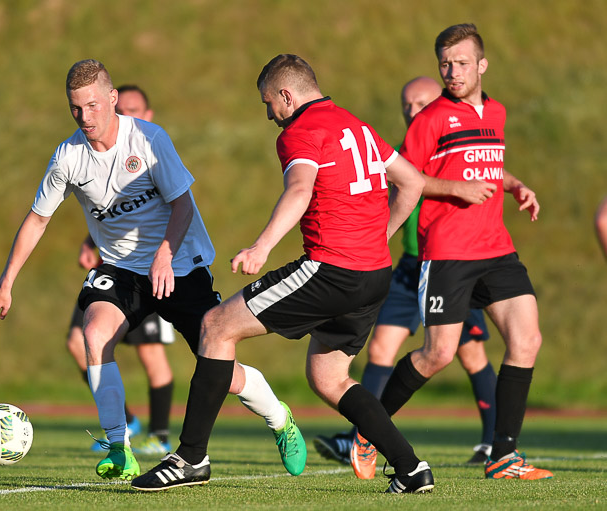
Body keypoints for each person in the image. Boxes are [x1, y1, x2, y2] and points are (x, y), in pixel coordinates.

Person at [0, 59, 304, 482]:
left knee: (220, 370)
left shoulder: (150, 139)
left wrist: (164, 256)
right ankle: (120, 449)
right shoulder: (67, 157)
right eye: (76, 108)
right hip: (121, 269)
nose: (85, 117)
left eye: (93, 105)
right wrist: (6, 283)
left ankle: (279, 419)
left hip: (180, 265)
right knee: (94, 333)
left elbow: (183, 204)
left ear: (113, 98)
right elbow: (37, 220)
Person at [133, 54, 432, 494]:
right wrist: (379, 237)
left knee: (216, 326)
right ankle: (411, 468)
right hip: (373, 274)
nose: (269, 114)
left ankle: (190, 458)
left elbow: (300, 189)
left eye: (268, 102)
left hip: (332, 269)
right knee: (329, 378)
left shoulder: (301, 130)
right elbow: (413, 183)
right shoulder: (358, 126)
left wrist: (262, 246)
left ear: (287, 96)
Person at [375, 24, 553, 481]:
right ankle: (369, 429)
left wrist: (515, 185)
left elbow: (487, 163)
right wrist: (455, 188)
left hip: (496, 248)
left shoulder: (496, 111)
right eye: (445, 64)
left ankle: (504, 455)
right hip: (448, 252)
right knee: (438, 354)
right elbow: (405, 177)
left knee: (527, 340)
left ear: (482, 65)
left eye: (461, 63)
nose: (453, 72)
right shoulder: (430, 119)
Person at [314, 76, 497, 476]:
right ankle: (361, 435)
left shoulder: (456, 146)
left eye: (421, 104)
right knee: (380, 349)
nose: (412, 112)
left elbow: (477, 178)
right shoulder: (400, 151)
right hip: (408, 266)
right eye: (406, 105)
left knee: (467, 355)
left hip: (449, 264)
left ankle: (495, 442)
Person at [65, 84, 176, 456]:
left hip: (152, 268)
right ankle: (124, 424)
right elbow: (111, 208)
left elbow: (167, 205)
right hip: (113, 267)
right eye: (122, 110)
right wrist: (90, 241)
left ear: (148, 115)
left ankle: (160, 434)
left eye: (135, 110)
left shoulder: (150, 146)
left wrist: (165, 256)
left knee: (151, 354)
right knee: (80, 342)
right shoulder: (95, 152)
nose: (127, 116)